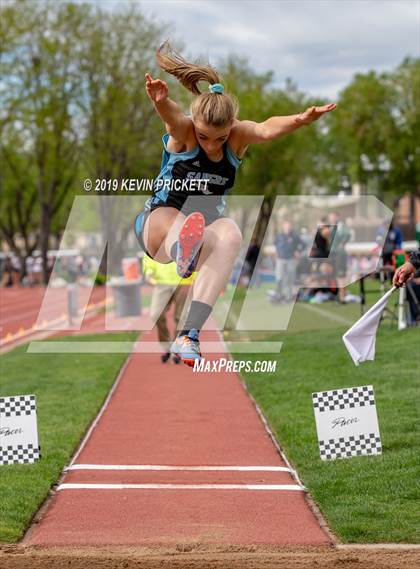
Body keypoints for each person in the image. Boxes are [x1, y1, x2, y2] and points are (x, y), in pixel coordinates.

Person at [134, 42, 336, 366]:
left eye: (220, 138)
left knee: (230, 233)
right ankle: (183, 248)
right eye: (204, 137)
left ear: (231, 127)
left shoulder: (238, 136)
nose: (212, 145)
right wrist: (160, 102)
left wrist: (300, 119)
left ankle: (189, 335)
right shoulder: (184, 130)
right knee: (176, 219)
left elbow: (266, 130)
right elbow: (172, 118)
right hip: (157, 225)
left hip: (204, 230)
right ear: (194, 126)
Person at [142, 255, 195, 364]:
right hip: (162, 281)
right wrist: (148, 270)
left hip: (184, 280)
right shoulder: (159, 237)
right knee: (156, 314)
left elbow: (197, 251)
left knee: (182, 317)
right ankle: (167, 347)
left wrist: (196, 274)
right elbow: (151, 249)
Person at [271, 221, 303, 303]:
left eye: (288, 227)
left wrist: (298, 251)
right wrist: (276, 254)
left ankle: (288, 297)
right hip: (280, 260)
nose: (287, 228)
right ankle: (279, 295)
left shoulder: (295, 236)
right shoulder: (279, 236)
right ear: (283, 227)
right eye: (285, 227)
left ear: (290, 227)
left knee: (289, 278)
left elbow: (303, 244)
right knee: (279, 278)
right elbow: (275, 246)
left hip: (290, 260)